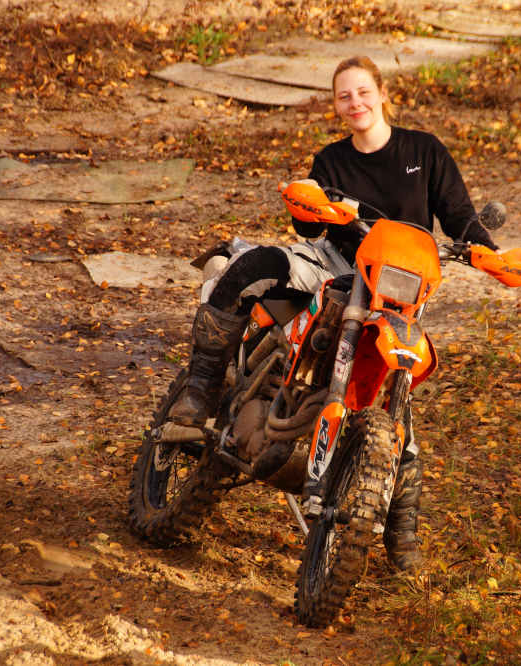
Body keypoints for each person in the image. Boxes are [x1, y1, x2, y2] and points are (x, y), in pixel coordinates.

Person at [167, 55, 498, 571]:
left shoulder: (423, 151)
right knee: (253, 266)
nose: (355, 103)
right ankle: (199, 389)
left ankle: (402, 536)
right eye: (344, 96)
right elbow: (308, 231)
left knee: (400, 410)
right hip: (335, 266)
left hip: (397, 288)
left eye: (363, 92)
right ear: (336, 105)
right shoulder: (331, 159)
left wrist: (492, 254)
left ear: (383, 93)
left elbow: (460, 218)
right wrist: (308, 204)